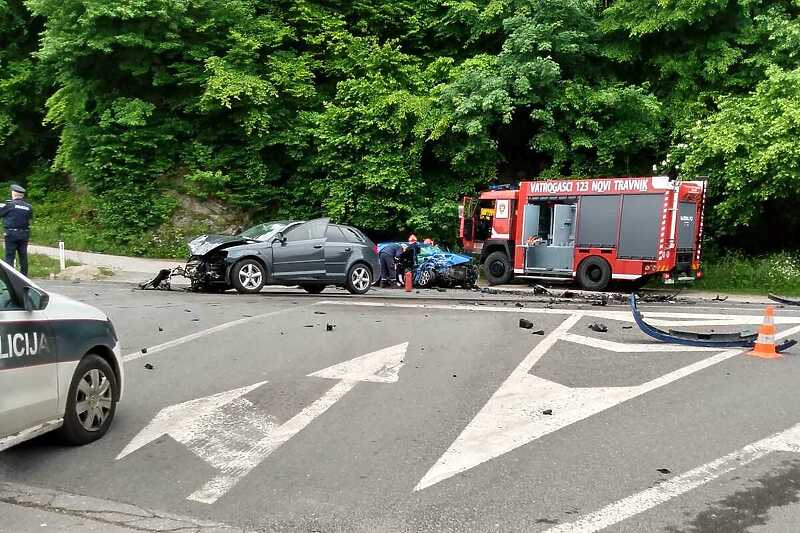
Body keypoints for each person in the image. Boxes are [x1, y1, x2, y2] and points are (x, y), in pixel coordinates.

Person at [0, 184, 33, 276]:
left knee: (10, 256)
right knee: (23, 256)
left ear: (13, 194)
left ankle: (9, 277)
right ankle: (24, 276)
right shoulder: (29, 207)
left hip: (11, 234)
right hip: (24, 234)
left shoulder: (10, 205)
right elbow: (29, 219)